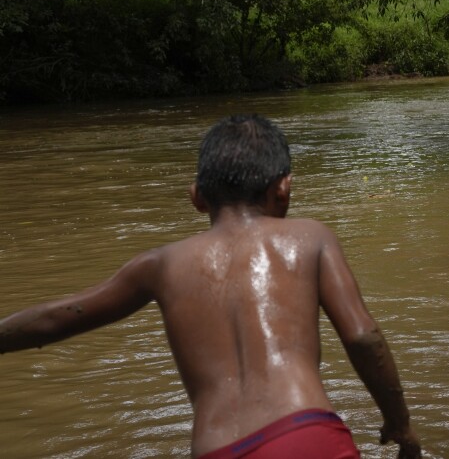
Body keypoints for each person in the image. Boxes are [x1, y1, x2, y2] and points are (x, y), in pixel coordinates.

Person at [0, 114, 422, 459]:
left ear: (197, 197)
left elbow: (59, 317)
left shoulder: (160, 264)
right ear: (285, 188)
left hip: (216, 450)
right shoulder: (310, 237)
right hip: (303, 432)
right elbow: (364, 337)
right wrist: (399, 425)